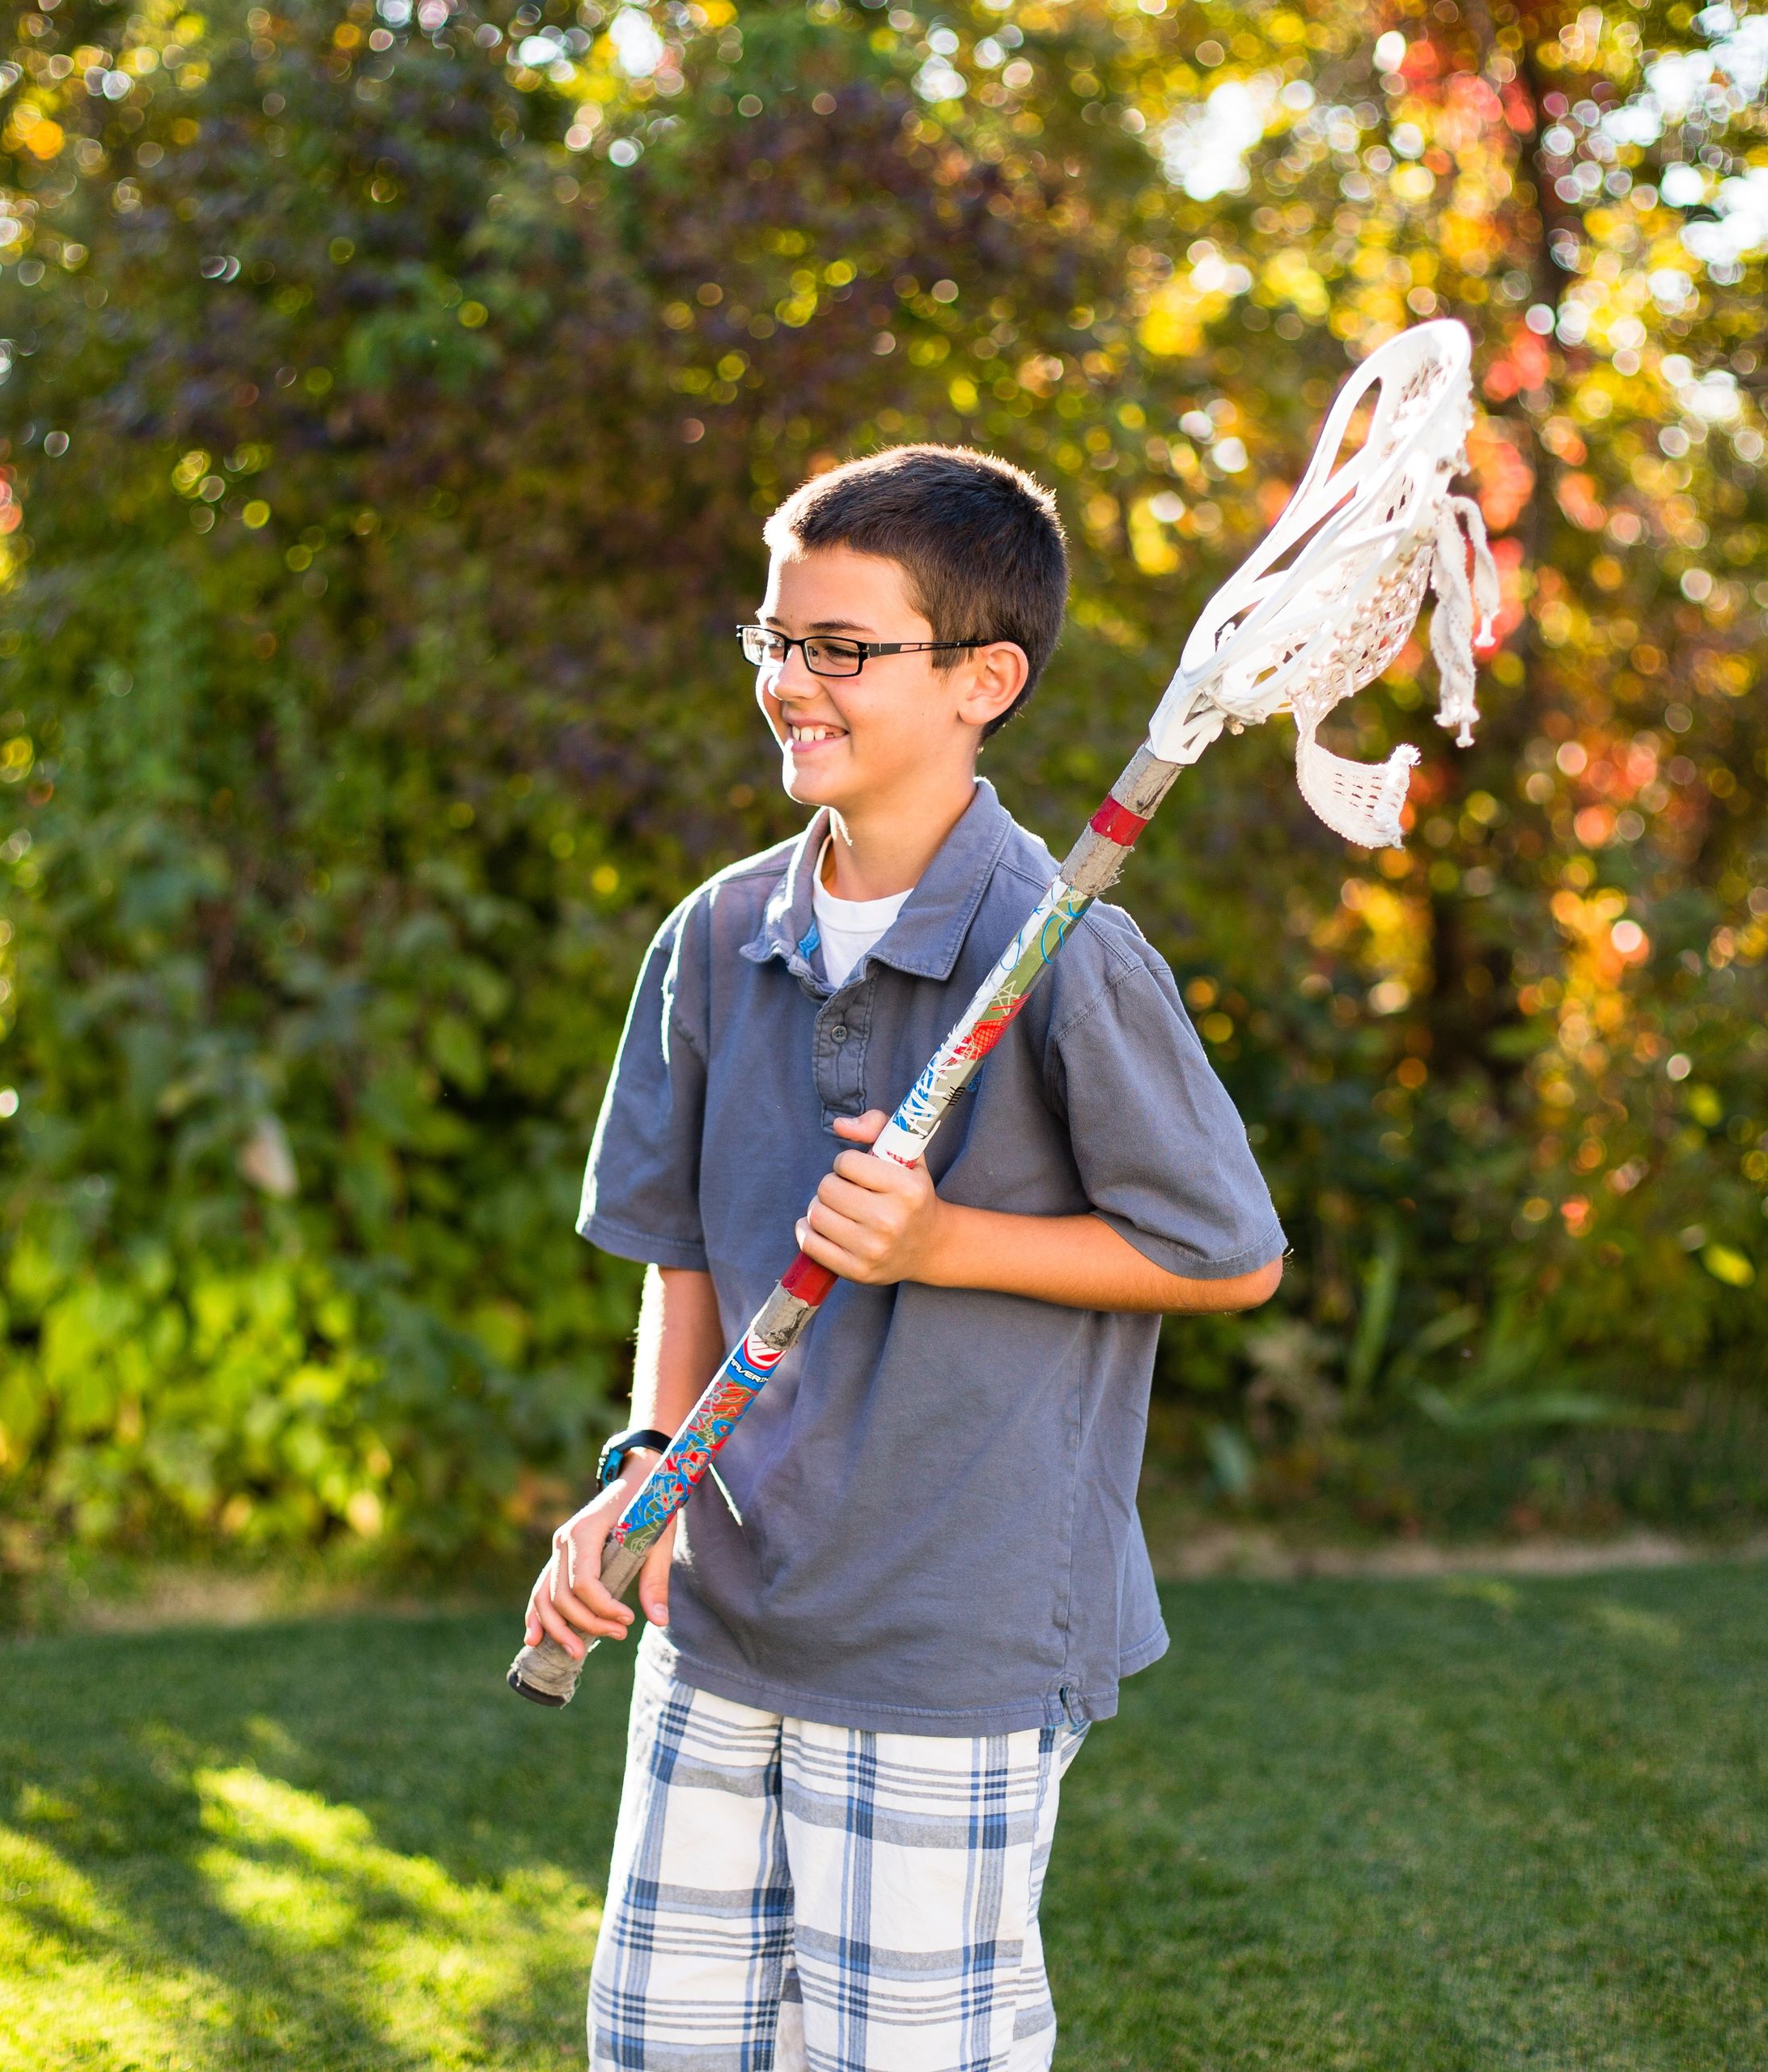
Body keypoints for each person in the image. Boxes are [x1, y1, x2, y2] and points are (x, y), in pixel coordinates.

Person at [526, 444, 1286, 2072]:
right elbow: (681, 1254)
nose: (790, 680)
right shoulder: (720, 938)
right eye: (774, 639)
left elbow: (1225, 1254)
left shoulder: (1070, 953)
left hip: (954, 1627)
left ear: (983, 678)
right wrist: (646, 1463)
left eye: (842, 649)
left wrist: (945, 1238)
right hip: (724, 1616)